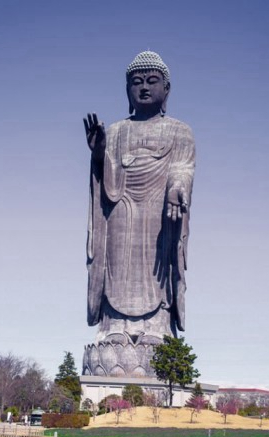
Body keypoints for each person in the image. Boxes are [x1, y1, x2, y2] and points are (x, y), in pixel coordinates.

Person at [83, 51, 195, 377]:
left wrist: (177, 187)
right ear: (127, 89)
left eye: (152, 81)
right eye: (136, 82)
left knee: (158, 266)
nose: (144, 87)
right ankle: (113, 327)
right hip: (121, 209)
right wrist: (99, 152)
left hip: (160, 211)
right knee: (116, 264)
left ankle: (157, 328)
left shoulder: (180, 131)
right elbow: (106, 179)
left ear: (167, 89)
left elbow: (183, 167)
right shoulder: (117, 131)